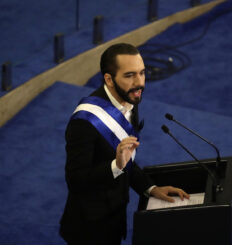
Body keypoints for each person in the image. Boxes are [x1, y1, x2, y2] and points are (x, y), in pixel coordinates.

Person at [59, 43, 189, 245]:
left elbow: (127, 160)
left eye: (142, 73)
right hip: (89, 228)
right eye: (129, 75)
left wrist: (150, 188)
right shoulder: (85, 122)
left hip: (116, 217)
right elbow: (76, 181)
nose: (140, 83)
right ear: (109, 79)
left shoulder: (130, 98)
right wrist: (116, 166)